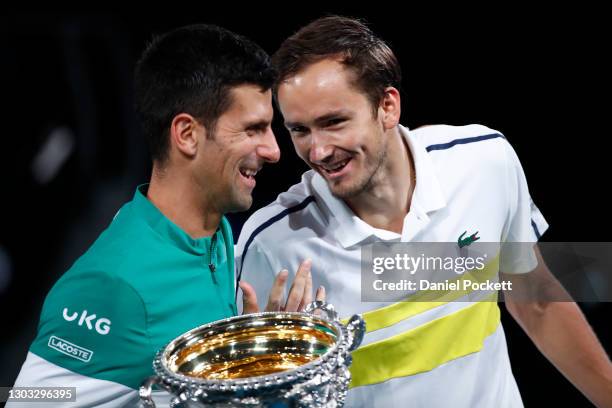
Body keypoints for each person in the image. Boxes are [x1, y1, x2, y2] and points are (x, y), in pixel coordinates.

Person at [236, 16, 612, 407]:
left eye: (334, 122)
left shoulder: (485, 161)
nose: (318, 151)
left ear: (387, 106)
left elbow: (536, 298)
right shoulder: (271, 244)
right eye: (300, 130)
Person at [9, 24, 320, 408]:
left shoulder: (217, 233)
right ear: (187, 134)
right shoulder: (113, 287)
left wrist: (256, 371)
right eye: (253, 129)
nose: (274, 150)